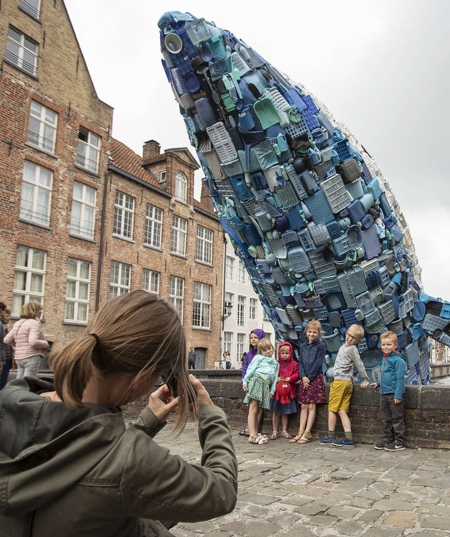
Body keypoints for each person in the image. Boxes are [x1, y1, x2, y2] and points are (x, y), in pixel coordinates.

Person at [0, 290, 238, 536]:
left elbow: (84, 454)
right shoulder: (131, 463)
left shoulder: (11, 402)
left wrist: (146, 423)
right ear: (144, 376)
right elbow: (221, 491)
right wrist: (211, 415)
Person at [319, 324, 370, 447]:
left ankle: (330, 435)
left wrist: (365, 378)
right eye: (348, 335)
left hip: (340, 382)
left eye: (353, 338)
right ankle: (348, 437)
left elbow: (359, 364)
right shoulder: (344, 347)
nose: (349, 338)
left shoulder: (352, 349)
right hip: (347, 382)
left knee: (332, 409)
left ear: (358, 341)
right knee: (342, 410)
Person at [290, 320, 326, 444]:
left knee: (311, 405)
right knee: (303, 405)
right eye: (310, 332)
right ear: (306, 332)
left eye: (314, 332)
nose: (311, 334)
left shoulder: (320, 346)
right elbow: (300, 361)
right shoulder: (303, 346)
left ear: (318, 333)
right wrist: (303, 376)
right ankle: (300, 431)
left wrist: (309, 377)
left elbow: (318, 363)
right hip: (305, 378)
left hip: (315, 378)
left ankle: (307, 432)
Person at [372, 331, 406, 451]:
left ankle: (400, 441)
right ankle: (388, 439)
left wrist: (398, 394)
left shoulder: (398, 361)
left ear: (395, 345)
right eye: (384, 345)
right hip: (383, 393)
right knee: (386, 418)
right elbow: (386, 376)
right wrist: (378, 383)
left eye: (389, 345)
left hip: (393, 394)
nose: (385, 347)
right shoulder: (384, 359)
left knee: (397, 418)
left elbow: (400, 379)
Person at [242, 338, 279, 445]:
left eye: (269, 348)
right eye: (265, 350)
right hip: (257, 381)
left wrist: (271, 391)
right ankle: (252, 434)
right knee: (253, 408)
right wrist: (245, 381)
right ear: (261, 352)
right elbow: (250, 369)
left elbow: (274, 379)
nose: (268, 351)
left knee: (258, 410)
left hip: (265, 385)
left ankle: (254, 432)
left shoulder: (276, 364)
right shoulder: (258, 358)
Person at [3, 301, 48, 379]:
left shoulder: (18, 323)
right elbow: (33, 342)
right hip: (31, 356)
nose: (41, 312)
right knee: (28, 382)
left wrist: (19, 344)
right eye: (39, 310)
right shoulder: (34, 323)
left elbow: (6, 340)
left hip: (19, 357)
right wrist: (46, 343)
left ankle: (16, 391)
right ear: (34, 310)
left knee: (19, 381)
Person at [270, 341, 299, 440]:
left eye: (287, 353)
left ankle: (284, 430)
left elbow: (297, 374)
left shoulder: (294, 364)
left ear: (290, 353)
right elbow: (271, 373)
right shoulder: (276, 363)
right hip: (277, 392)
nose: (285, 355)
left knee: (285, 412)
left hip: (288, 392)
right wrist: (276, 378)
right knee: (275, 411)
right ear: (279, 353)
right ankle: (274, 430)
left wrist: (290, 378)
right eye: (282, 353)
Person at [239, 328, 265, 436]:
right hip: (250, 382)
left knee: (259, 406)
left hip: (260, 381)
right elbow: (245, 368)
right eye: (251, 338)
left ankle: (254, 427)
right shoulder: (249, 354)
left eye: (256, 337)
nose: (253, 340)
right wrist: (244, 381)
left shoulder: (264, 352)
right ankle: (251, 427)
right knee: (252, 406)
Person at [0, 308, 13, 390]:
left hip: (7, 357)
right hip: (4, 357)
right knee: (2, 379)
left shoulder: (6, 328)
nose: (8, 318)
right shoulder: (2, 327)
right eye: (6, 316)